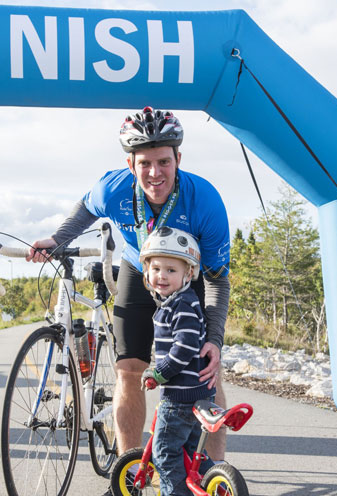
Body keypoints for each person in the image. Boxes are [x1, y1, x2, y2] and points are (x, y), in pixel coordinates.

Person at [26, 107, 231, 481]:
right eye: (145, 164)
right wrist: (57, 239)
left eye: (164, 162)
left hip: (190, 278)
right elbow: (86, 210)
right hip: (139, 271)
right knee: (128, 371)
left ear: (178, 159)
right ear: (130, 163)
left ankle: (213, 472)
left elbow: (217, 280)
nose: (155, 173)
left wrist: (214, 340)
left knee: (205, 371)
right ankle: (131, 471)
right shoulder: (113, 188)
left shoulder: (206, 201)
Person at [139, 227, 216, 496]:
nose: (162, 276)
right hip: (198, 395)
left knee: (165, 453)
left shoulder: (181, 305)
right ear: (147, 271)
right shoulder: (179, 302)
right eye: (156, 268)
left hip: (180, 398)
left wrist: (159, 373)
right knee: (195, 453)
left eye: (171, 270)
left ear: (188, 274)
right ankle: (214, 484)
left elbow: (184, 348)